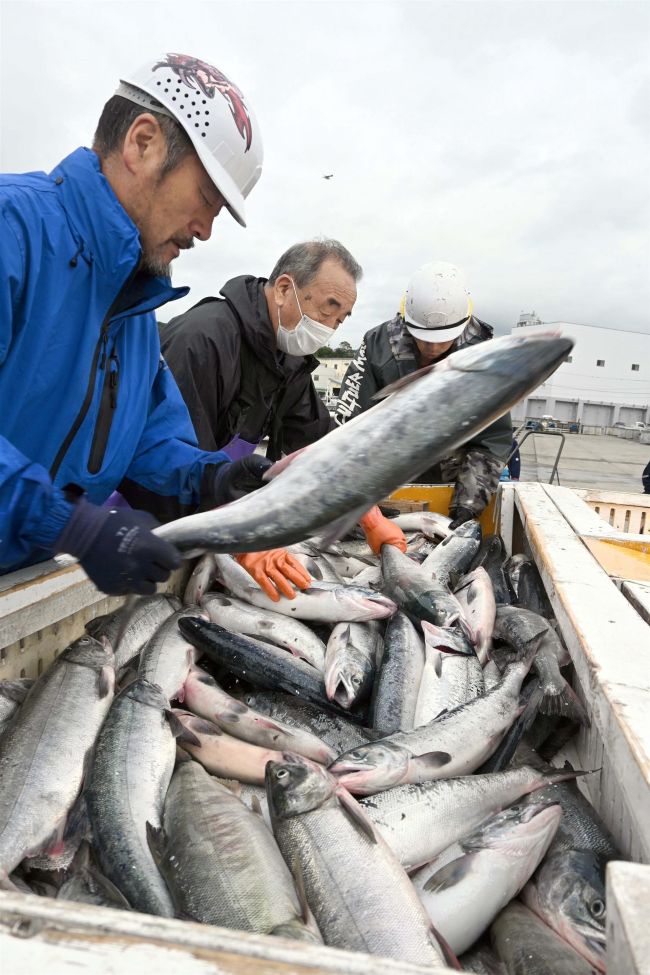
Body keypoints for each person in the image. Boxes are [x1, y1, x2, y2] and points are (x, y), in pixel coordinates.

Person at [0, 52, 276, 598]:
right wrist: (73, 525)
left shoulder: (135, 308)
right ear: (142, 143)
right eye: (206, 199)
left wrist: (211, 477)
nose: (205, 230)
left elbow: (149, 435)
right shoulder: (14, 229)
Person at [160, 238, 407, 597]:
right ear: (284, 289)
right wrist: (243, 535)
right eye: (327, 309)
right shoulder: (201, 339)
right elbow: (173, 464)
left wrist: (370, 517)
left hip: (223, 514)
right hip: (155, 517)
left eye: (340, 319)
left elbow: (320, 448)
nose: (329, 328)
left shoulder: (287, 359)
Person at [334, 261, 512, 527]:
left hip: (451, 484)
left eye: (443, 339)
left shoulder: (485, 360)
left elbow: (492, 439)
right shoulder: (377, 345)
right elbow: (349, 428)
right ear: (406, 317)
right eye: (423, 337)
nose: (432, 347)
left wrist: (469, 504)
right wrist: (355, 501)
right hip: (383, 483)